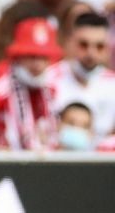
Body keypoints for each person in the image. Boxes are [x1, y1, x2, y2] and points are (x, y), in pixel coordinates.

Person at [0, 17, 63, 149]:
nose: (37, 65)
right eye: (31, 56)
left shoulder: (52, 84)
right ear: (18, 55)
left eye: (43, 58)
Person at [47, 12, 115, 143]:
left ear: (108, 49)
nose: (91, 53)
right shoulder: (48, 80)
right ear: (69, 43)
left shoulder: (113, 84)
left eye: (99, 46)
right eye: (84, 45)